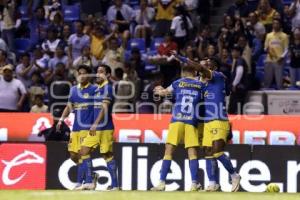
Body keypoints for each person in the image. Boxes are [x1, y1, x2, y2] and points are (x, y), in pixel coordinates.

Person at [174, 55, 241, 192]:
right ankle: (213, 184)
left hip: (218, 118)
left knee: (217, 152)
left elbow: (199, 68)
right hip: (206, 121)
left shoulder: (216, 75)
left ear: (214, 68)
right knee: (208, 152)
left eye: (208, 64)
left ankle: (234, 175)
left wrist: (183, 58)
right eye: (205, 63)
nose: (205, 65)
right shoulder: (203, 83)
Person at [150, 64, 204, 192]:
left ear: (183, 72)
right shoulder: (201, 86)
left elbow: (163, 93)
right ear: (194, 72)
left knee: (168, 151)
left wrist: (158, 89)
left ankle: (162, 182)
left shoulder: (178, 83)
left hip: (177, 120)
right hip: (191, 121)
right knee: (192, 152)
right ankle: (194, 184)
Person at [56, 65, 97, 190]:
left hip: (88, 127)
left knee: (82, 154)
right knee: (74, 155)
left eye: (84, 73)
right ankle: (92, 174)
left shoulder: (94, 89)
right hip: (76, 128)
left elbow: (100, 108)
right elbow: (69, 107)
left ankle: (82, 182)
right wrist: (61, 120)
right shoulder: (73, 90)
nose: (81, 75)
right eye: (79, 73)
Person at [80, 64, 119, 190]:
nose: (98, 74)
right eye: (97, 71)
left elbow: (104, 107)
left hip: (105, 127)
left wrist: (95, 124)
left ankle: (115, 185)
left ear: (107, 75)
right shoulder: (97, 89)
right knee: (84, 150)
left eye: (101, 72)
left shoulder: (108, 88)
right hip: (96, 128)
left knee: (107, 155)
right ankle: (91, 180)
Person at [264, 18, 289, 89]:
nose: (275, 25)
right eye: (274, 23)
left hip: (279, 61)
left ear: (280, 25)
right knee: (267, 81)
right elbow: (265, 47)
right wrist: (267, 50)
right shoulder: (268, 35)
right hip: (269, 60)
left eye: (277, 23)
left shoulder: (284, 36)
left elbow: (286, 49)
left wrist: (282, 57)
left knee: (279, 82)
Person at [228, 45, 248, 114]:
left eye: (234, 52)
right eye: (232, 52)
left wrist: (234, 84)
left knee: (233, 107)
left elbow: (240, 72)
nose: (232, 53)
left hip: (238, 88)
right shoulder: (238, 60)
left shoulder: (240, 60)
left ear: (238, 52)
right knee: (239, 107)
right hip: (240, 87)